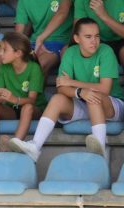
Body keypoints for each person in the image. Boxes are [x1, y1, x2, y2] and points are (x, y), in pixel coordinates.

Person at [10, 18, 124, 161]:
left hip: (111, 105)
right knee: (57, 99)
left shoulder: (105, 51)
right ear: (77, 38)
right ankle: (35, 146)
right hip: (84, 102)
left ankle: (100, 147)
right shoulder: (70, 52)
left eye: (97, 36)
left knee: (93, 95)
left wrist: (73, 83)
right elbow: (62, 87)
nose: (94, 41)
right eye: (88, 37)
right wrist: (79, 92)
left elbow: (105, 89)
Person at [0, 32, 46, 154]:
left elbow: (32, 100)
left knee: (27, 107)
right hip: (11, 109)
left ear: (18, 53)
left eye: (4, 50)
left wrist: (13, 99)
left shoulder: (34, 68)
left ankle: (16, 143)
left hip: (33, 109)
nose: (0, 53)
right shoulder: (3, 68)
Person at [14, 0, 75, 75]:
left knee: (37, 67)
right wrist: (20, 49)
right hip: (33, 44)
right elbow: (19, 32)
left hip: (59, 43)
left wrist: (41, 38)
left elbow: (62, 12)